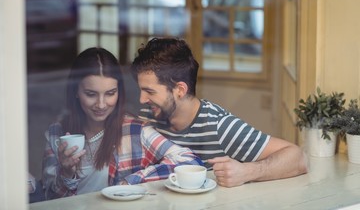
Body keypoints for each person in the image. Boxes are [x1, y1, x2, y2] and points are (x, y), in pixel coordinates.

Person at [131, 37, 308, 188]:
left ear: (179, 89)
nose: (141, 99)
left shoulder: (219, 125)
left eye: (150, 91)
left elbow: (297, 158)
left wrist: (247, 171)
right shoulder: (148, 118)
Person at [42, 47, 202, 200]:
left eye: (110, 93)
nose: (101, 104)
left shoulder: (134, 130)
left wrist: (131, 182)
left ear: (119, 91)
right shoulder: (57, 133)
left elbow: (188, 160)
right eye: (91, 94)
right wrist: (66, 173)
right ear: (76, 91)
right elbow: (49, 198)